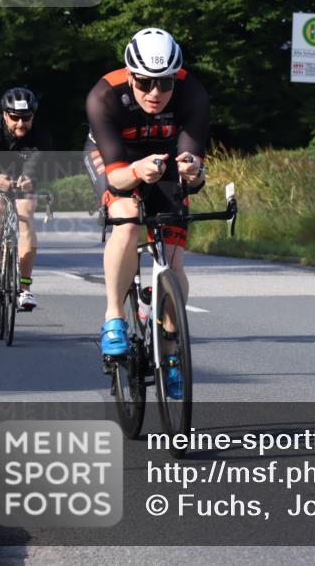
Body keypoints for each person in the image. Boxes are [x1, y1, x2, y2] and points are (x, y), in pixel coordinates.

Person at [84, 28, 208, 399]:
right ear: (130, 75)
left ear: (177, 77)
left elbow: (194, 170)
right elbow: (119, 175)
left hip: (165, 155)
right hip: (117, 159)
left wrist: (193, 172)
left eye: (165, 83)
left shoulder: (194, 94)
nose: (155, 93)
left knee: (173, 257)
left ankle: (170, 353)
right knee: (127, 221)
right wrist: (137, 171)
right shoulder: (104, 96)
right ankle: (113, 319)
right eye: (145, 83)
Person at [0, 87, 52, 309]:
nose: (20, 123)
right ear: (5, 114)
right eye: (15, 117)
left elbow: (40, 162)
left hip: (24, 176)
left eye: (26, 118)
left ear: (32, 116)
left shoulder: (40, 134)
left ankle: (24, 289)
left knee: (25, 217)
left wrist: (30, 177)